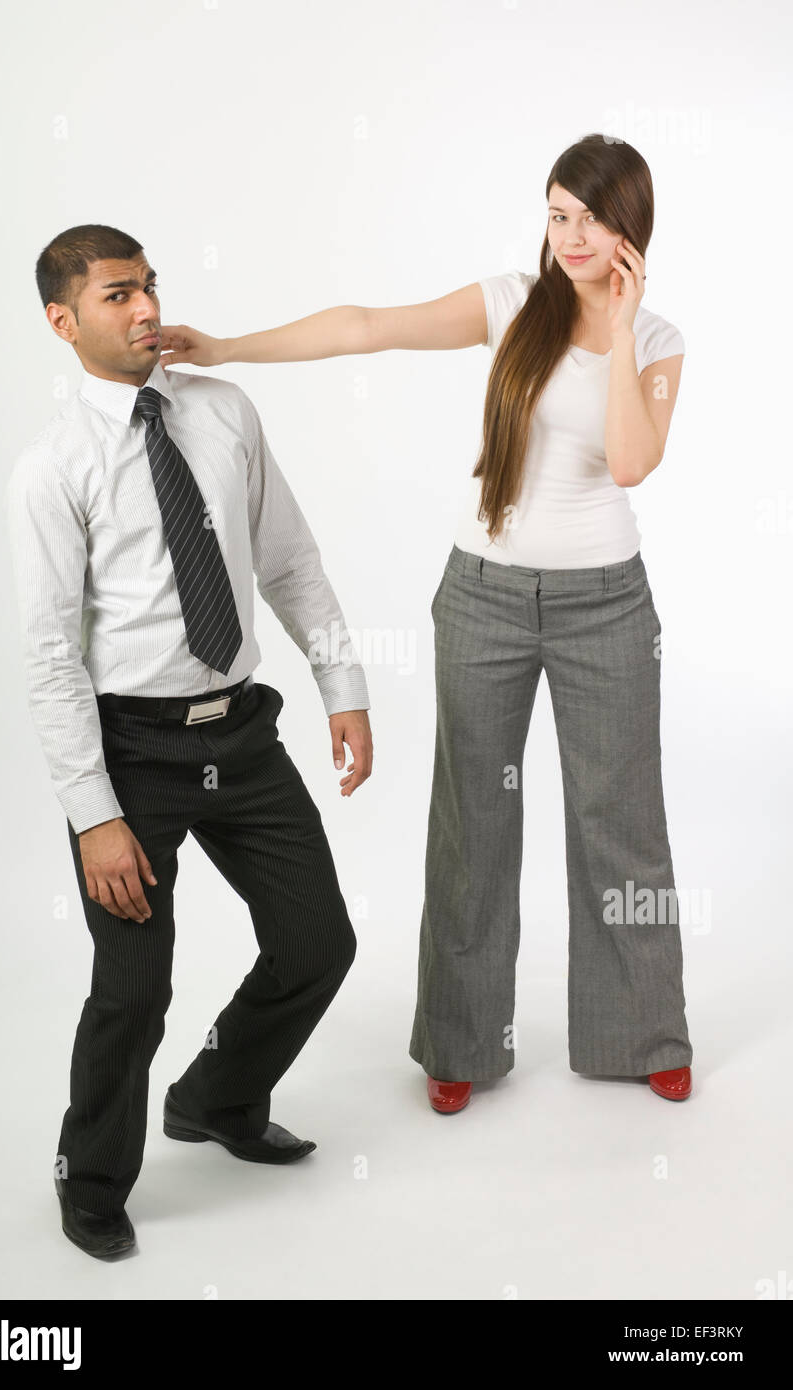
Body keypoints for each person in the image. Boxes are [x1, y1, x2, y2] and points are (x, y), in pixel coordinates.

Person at [158, 133, 694, 1115]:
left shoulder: (655, 343)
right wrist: (228, 346)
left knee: (618, 822)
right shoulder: (505, 304)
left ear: (630, 229)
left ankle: (639, 1031)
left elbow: (627, 462)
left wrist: (616, 332)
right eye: (554, 212)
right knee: (470, 823)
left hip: (606, 607)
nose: (567, 235)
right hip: (483, 597)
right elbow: (366, 325)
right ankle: (460, 1037)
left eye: (589, 217)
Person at [5, 223, 374, 1260]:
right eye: (117, 295)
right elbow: (47, 657)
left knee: (317, 941)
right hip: (132, 754)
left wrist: (339, 681)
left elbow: (288, 558)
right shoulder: (53, 466)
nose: (145, 310)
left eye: (149, 288)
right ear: (61, 319)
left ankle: (216, 1094)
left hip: (243, 735)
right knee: (134, 987)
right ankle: (90, 1177)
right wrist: (94, 818)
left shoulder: (223, 411)